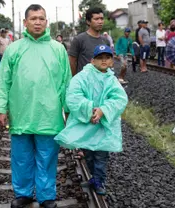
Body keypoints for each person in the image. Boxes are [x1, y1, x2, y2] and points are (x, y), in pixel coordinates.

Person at [0, 4, 71, 208]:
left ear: (46, 22)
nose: (37, 22)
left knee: (47, 157)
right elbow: (3, 81)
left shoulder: (58, 49)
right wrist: (1, 108)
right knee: (21, 157)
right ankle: (23, 193)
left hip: (49, 114)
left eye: (41, 18)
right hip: (21, 112)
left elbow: (66, 82)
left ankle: (46, 196)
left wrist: (69, 109)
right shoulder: (14, 49)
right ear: (25, 22)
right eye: (33, 18)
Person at [54, 44, 128, 196]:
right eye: (99, 58)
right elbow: (73, 96)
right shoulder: (82, 77)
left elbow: (120, 98)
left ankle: (99, 180)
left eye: (107, 58)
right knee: (88, 153)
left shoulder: (112, 80)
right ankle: (94, 177)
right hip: (87, 124)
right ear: (92, 61)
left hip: (104, 125)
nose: (103, 61)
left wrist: (103, 110)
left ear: (112, 61)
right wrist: (89, 110)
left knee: (101, 155)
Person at [69, 7, 109, 76]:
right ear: (88, 21)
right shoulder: (79, 40)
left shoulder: (105, 40)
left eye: (101, 19)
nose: (100, 22)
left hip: (102, 82)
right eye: (96, 19)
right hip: (84, 83)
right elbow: (72, 63)